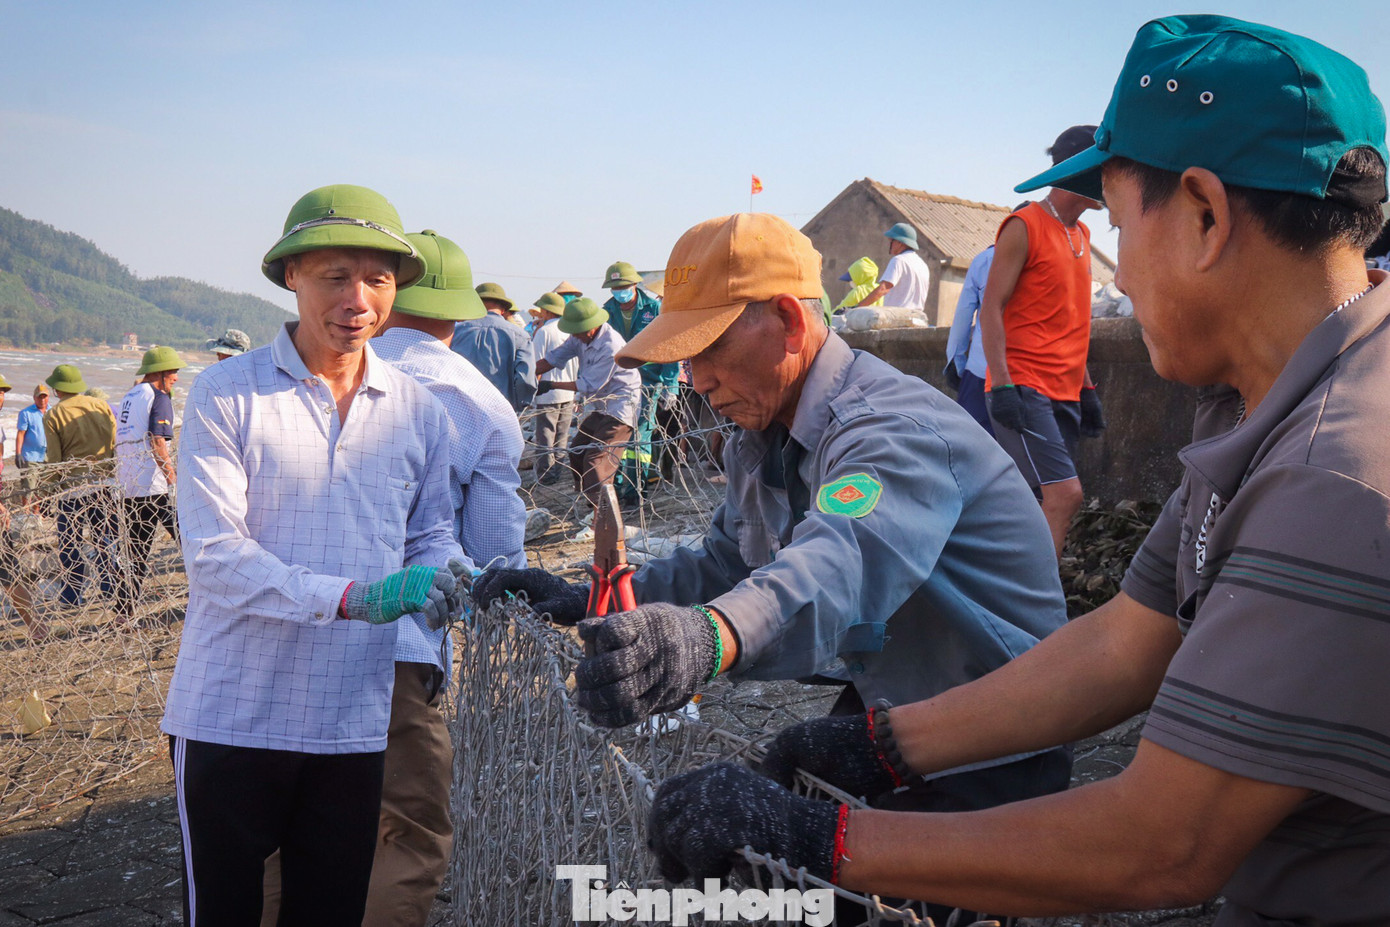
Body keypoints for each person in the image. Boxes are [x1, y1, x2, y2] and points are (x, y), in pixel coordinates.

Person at [645, 17, 1390, 925]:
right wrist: (885, 747)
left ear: (1203, 214)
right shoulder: (1265, 401)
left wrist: (822, 841)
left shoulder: (1332, 474)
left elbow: (1164, 842)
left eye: (1116, 222)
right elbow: (1124, 640)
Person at [477, 215, 1072, 871]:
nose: (697, 379)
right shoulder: (758, 436)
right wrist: (590, 598)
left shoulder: (883, 428)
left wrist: (705, 638)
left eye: (708, 349)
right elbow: (726, 561)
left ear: (789, 319)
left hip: (999, 720)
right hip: (897, 691)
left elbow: (839, 562)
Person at [161, 183, 468, 927]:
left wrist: (447, 574)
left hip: (352, 718)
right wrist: (352, 596)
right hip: (234, 713)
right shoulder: (228, 393)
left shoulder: (416, 408)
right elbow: (212, 554)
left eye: (379, 278)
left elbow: (429, 530)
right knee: (226, 913)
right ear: (291, 275)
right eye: (335, 274)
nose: (358, 299)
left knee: (330, 911)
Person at [259, 229, 527, 927]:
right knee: (405, 830)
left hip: (273, 643)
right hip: (398, 656)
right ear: (459, 314)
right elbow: (496, 554)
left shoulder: (292, 375)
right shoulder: (478, 403)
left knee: (275, 836)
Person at [981, 124, 1107, 558]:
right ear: (1078, 171)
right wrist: (1001, 385)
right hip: (1024, 385)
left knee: (1036, 501)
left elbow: (1070, 321)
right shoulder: (1024, 225)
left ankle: (1011, 590)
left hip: (1066, 389)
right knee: (1065, 496)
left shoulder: (1083, 235)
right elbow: (991, 308)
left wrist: (1087, 388)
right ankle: (1044, 610)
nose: (1110, 179)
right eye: (1103, 168)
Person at [534, 296, 641, 507]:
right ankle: (593, 503)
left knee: (596, 462)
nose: (573, 336)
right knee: (578, 450)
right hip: (602, 406)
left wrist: (551, 385)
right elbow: (554, 358)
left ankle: (602, 514)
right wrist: (526, 375)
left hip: (620, 407)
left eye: (576, 331)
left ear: (590, 328)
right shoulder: (579, 337)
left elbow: (589, 384)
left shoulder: (611, 346)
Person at [113, 346, 184, 620]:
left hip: (130, 487)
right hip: (155, 488)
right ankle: (214, 597)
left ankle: (123, 613)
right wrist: (173, 478)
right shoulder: (158, 396)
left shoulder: (130, 394)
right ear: (161, 372)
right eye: (174, 371)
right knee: (190, 541)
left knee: (134, 553)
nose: (176, 377)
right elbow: (157, 442)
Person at [601, 261, 680, 500]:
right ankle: (617, 487)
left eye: (623, 286)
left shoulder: (653, 308)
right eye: (615, 287)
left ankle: (636, 490)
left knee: (640, 436)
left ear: (635, 284)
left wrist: (670, 385)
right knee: (619, 435)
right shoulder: (606, 311)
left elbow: (668, 347)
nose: (619, 292)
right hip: (618, 384)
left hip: (649, 382)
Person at [42, 363, 118, 607]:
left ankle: (73, 594)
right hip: (103, 483)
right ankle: (110, 589)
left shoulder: (53, 414)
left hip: (72, 489)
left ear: (57, 390)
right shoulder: (100, 405)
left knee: (70, 544)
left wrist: (46, 490)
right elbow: (114, 442)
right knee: (104, 540)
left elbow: (54, 460)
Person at [450, 281, 536, 412]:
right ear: (503, 310)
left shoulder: (454, 332)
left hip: (460, 407)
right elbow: (525, 379)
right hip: (501, 408)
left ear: (473, 304)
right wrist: (519, 404)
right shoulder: (520, 336)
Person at [943, 245, 998, 434]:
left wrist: (955, 360)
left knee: (972, 448)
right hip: (1034, 379)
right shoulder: (1052, 254)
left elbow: (964, 315)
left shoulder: (986, 259)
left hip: (981, 372)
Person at [529, 291, 578, 486]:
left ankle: (546, 476)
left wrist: (532, 390)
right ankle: (558, 471)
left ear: (547, 311)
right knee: (562, 436)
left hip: (547, 391)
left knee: (546, 436)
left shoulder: (544, 332)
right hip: (568, 389)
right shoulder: (569, 330)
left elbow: (536, 364)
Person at [853, 222, 931, 310]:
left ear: (900, 242)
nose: (890, 244)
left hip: (898, 318)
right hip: (918, 319)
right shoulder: (922, 264)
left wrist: (857, 308)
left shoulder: (899, 260)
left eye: (891, 241)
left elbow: (883, 289)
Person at [15, 384, 50, 510]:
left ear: (48, 397)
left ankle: (36, 513)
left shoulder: (52, 412)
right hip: (31, 456)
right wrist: (18, 453)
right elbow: (21, 434)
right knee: (29, 486)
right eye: (39, 397)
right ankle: (25, 512)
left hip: (47, 455)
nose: (42, 400)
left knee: (42, 486)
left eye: (44, 397)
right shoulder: (26, 413)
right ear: (34, 398)